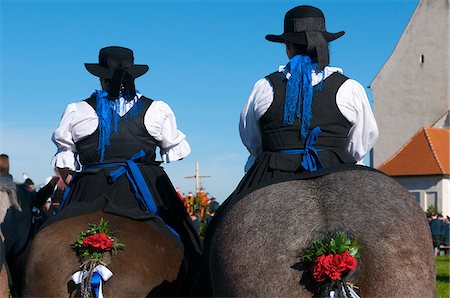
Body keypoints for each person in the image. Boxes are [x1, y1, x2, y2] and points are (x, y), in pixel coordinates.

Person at [197, 5, 378, 295]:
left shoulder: (264, 86)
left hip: (272, 169)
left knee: (218, 231)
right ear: (324, 43)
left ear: (287, 47)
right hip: (336, 166)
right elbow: (364, 140)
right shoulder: (350, 88)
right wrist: (339, 157)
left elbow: (251, 139)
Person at [49, 46, 201, 294]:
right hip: (142, 186)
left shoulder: (77, 111)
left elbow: (64, 164)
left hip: (89, 187)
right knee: (190, 246)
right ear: (134, 76)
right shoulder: (157, 110)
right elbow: (176, 152)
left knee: (46, 233)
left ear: (99, 77)